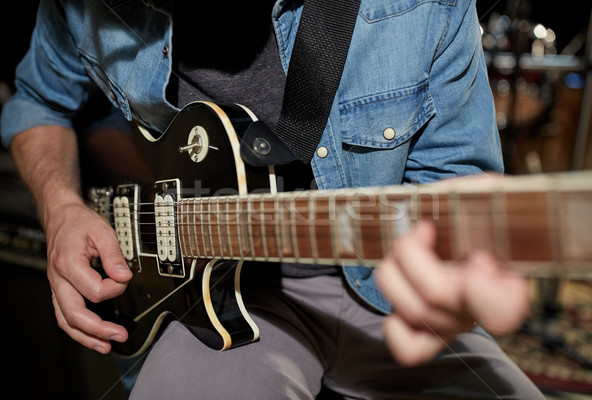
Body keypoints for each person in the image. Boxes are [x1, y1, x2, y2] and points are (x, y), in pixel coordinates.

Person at [0, 0, 546, 399]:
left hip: (386, 293)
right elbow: (36, 102)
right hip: (214, 303)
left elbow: (454, 187)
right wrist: (61, 208)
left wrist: (454, 273)